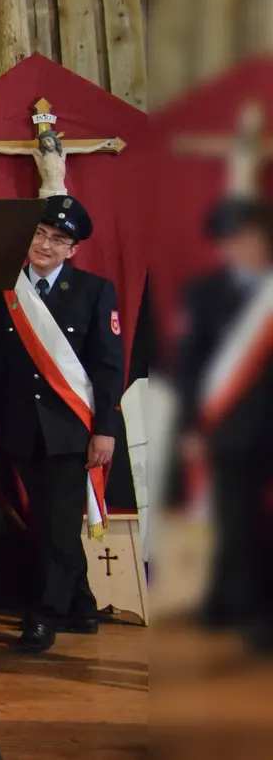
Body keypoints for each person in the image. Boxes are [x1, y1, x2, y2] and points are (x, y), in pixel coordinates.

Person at [0, 194, 123, 653]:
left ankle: (45, 615)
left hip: (70, 430)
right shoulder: (6, 290)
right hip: (19, 428)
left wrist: (105, 428)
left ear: (72, 249)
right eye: (40, 234)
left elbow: (107, 365)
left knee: (58, 525)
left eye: (58, 240)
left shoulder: (95, 291)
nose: (45, 245)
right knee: (46, 523)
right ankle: (80, 603)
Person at [172, 198, 273, 650]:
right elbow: (192, 366)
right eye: (232, 240)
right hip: (230, 430)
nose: (241, 247)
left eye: (249, 237)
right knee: (235, 523)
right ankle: (237, 604)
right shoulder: (204, 292)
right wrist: (192, 427)